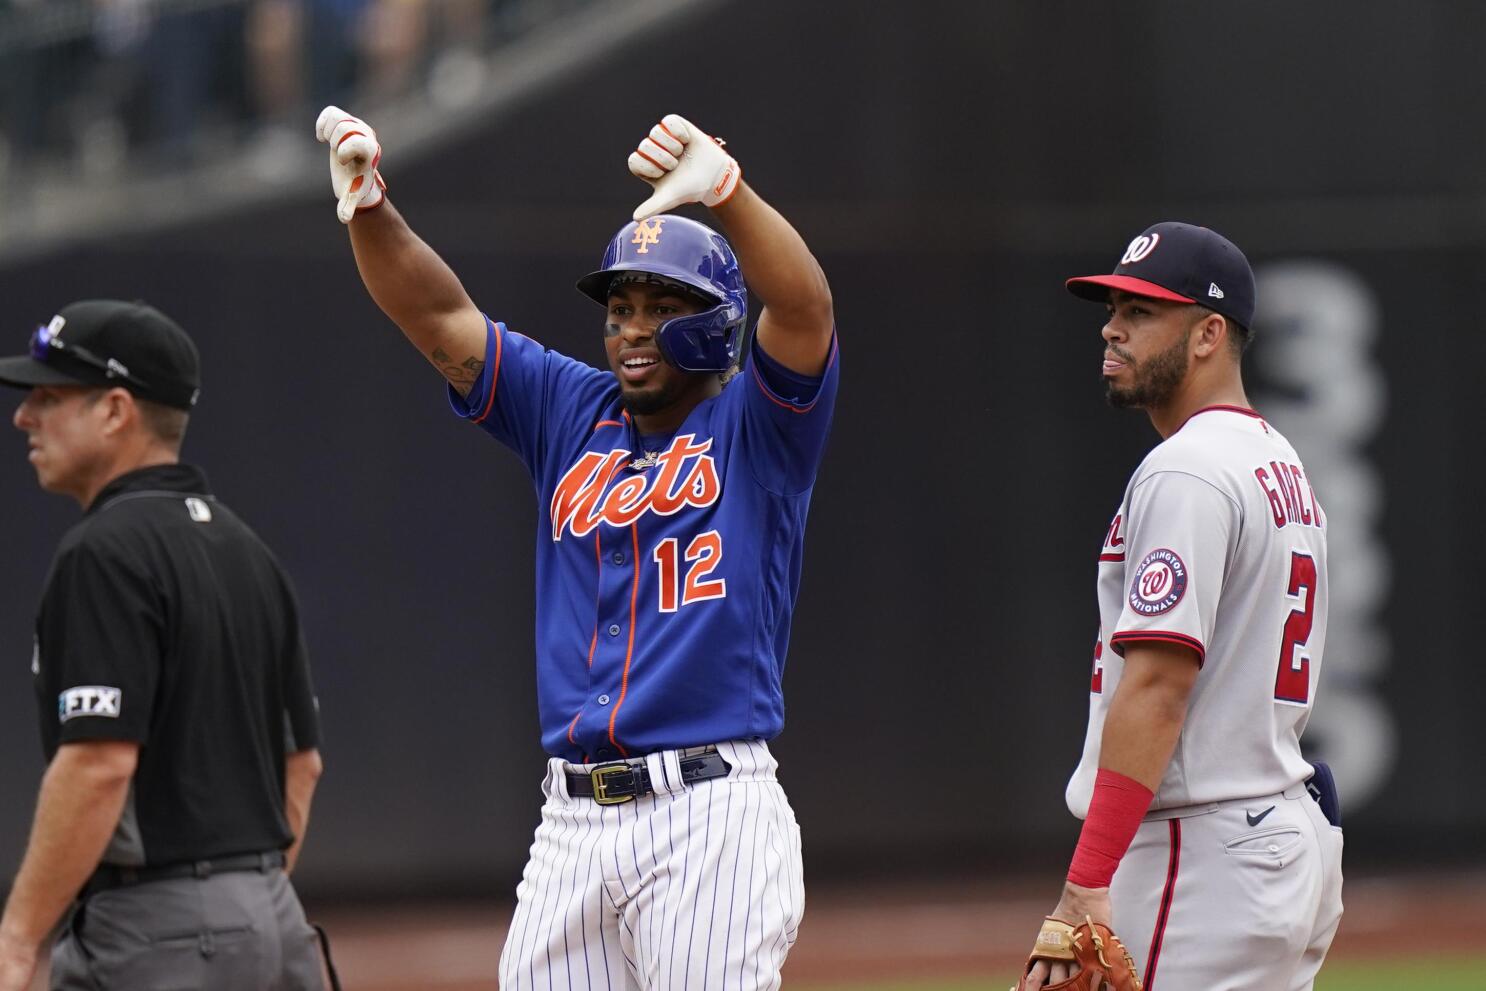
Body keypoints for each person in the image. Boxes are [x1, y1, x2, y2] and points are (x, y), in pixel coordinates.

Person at [315, 107, 838, 988]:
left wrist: (729, 194)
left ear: (716, 322)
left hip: (707, 808)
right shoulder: (570, 409)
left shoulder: (760, 423)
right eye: (621, 307)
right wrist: (370, 207)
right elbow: (439, 314)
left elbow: (806, 302)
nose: (631, 326)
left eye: (660, 305)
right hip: (572, 817)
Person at [1015, 223, 1344, 990]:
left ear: (1208, 333)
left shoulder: (1188, 469)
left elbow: (1160, 687)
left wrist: (1085, 884)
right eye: (1114, 306)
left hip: (1197, 856)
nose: (1112, 326)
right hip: (1273, 836)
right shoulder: (1278, 461)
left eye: (1142, 310)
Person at [0, 300, 327, 991]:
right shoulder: (249, 551)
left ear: (115, 410)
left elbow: (98, 765)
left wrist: (19, 934)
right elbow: (303, 765)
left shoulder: (103, 553)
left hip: (157, 933)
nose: (24, 416)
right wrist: (243, 903)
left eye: (50, 396)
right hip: (274, 915)